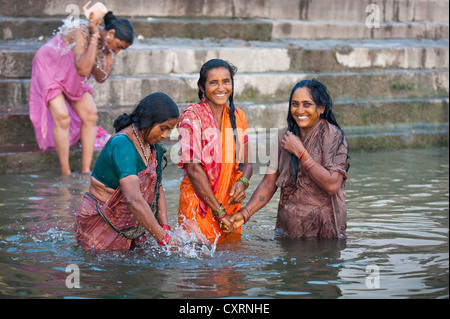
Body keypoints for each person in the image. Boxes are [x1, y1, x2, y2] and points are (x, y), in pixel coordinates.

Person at [223, 79, 349, 238]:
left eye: (307, 104)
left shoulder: (333, 136)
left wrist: (301, 152)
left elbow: (333, 184)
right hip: (289, 230)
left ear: (321, 108)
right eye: (295, 104)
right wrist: (245, 213)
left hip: (324, 234)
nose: (300, 110)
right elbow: (268, 183)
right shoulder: (283, 137)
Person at [29, 11, 134, 175]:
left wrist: (105, 54)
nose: (117, 51)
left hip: (73, 75)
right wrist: (93, 37)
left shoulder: (110, 49)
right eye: (118, 46)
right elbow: (84, 69)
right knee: (63, 117)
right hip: (50, 66)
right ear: (111, 33)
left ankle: (86, 171)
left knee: (91, 114)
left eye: (122, 49)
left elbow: (101, 77)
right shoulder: (81, 31)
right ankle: (66, 172)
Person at [75, 92, 180, 252]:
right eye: (162, 128)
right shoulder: (122, 144)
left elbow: (157, 188)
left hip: (133, 227)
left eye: (169, 130)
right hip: (101, 227)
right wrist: (164, 239)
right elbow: (132, 199)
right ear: (148, 120)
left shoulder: (154, 147)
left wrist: (165, 227)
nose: (165, 135)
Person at [177, 59, 253, 242]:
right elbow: (193, 169)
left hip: (230, 207)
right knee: (200, 264)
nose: (221, 88)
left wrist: (242, 182)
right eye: (213, 82)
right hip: (200, 206)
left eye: (226, 81)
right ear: (202, 87)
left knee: (229, 265)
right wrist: (218, 212)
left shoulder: (238, 116)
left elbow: (247, 163)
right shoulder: (192, 117)